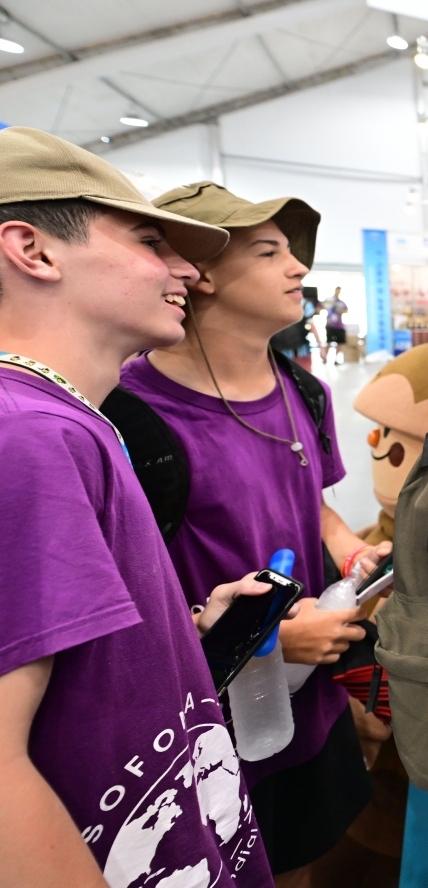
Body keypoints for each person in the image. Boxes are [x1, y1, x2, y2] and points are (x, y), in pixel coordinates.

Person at [0, 127, 274, 886]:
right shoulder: (26, 435)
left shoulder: (68, 422)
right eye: (152, 240)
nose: (187, 268)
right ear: (34, 250)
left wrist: (176, 637)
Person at [116, 182, 389, 884]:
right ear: (198, 270)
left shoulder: (304, 390)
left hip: (305, 708)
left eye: (292, 250)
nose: (297, 267)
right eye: (268, 252)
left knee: (298, 859)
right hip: (205, 727)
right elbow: (122, 596)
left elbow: (315, 504)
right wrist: (258, 641)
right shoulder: (127, 416)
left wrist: (353, 554)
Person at [322, 285, 348, 363]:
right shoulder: (329, 300)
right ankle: (325, 358)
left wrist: (340, 310)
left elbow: (346, 310)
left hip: (339, 325)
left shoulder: (341, 302)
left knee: (339, 343)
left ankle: (336, 359)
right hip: (330, 325)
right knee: (329, 342)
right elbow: (322, 306)